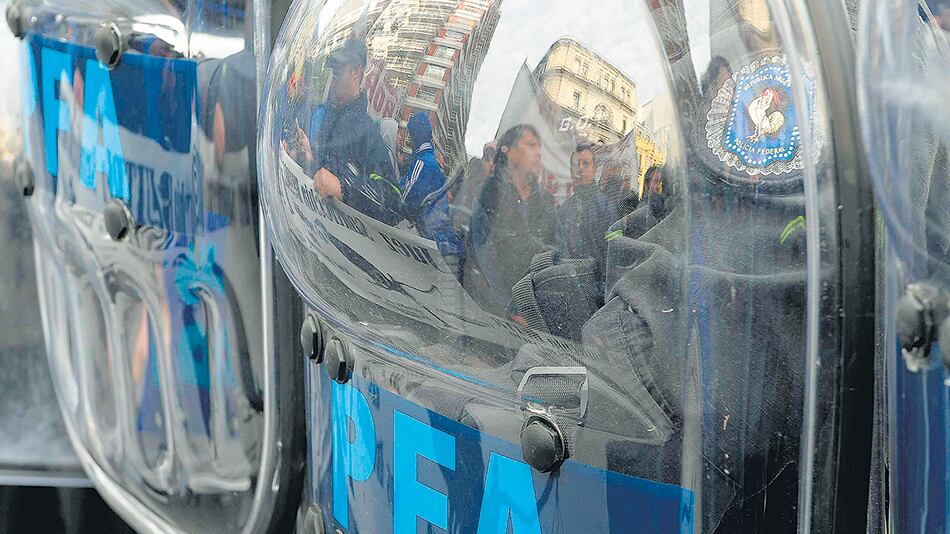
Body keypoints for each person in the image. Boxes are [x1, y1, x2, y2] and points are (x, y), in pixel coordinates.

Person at [298, 38, 402, 225]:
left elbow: (392, 205)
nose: (332, 81)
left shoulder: (367, 132)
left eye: (337, 73)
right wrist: (308, 158)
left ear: (355, 72)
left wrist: (344, 189)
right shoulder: (331, 118)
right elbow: (325, 172)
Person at [467, 124, 559, 315]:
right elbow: (484, 256)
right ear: (509, 152)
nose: (538, 153)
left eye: (539, 147)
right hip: (493, 311)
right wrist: (509, 309)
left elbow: (556, 253)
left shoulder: (545, 201)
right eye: (531, 145)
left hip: (535, 312)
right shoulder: (489, 194)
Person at [400, 112, 465, 279]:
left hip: (435, 246)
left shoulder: (423, 162)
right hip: (443, 243)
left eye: (410, 133)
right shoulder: (429, 161)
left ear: (414, 135)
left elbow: (404, 198)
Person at [557, 144, 618, 280]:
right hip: (569, 284)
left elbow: (614, 253)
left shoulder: (606, 208)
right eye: (576, 164)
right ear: (571, 170)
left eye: (586, 163)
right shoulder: (564, 210)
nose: (580, 168)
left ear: (594, 169)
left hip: (597, 285)